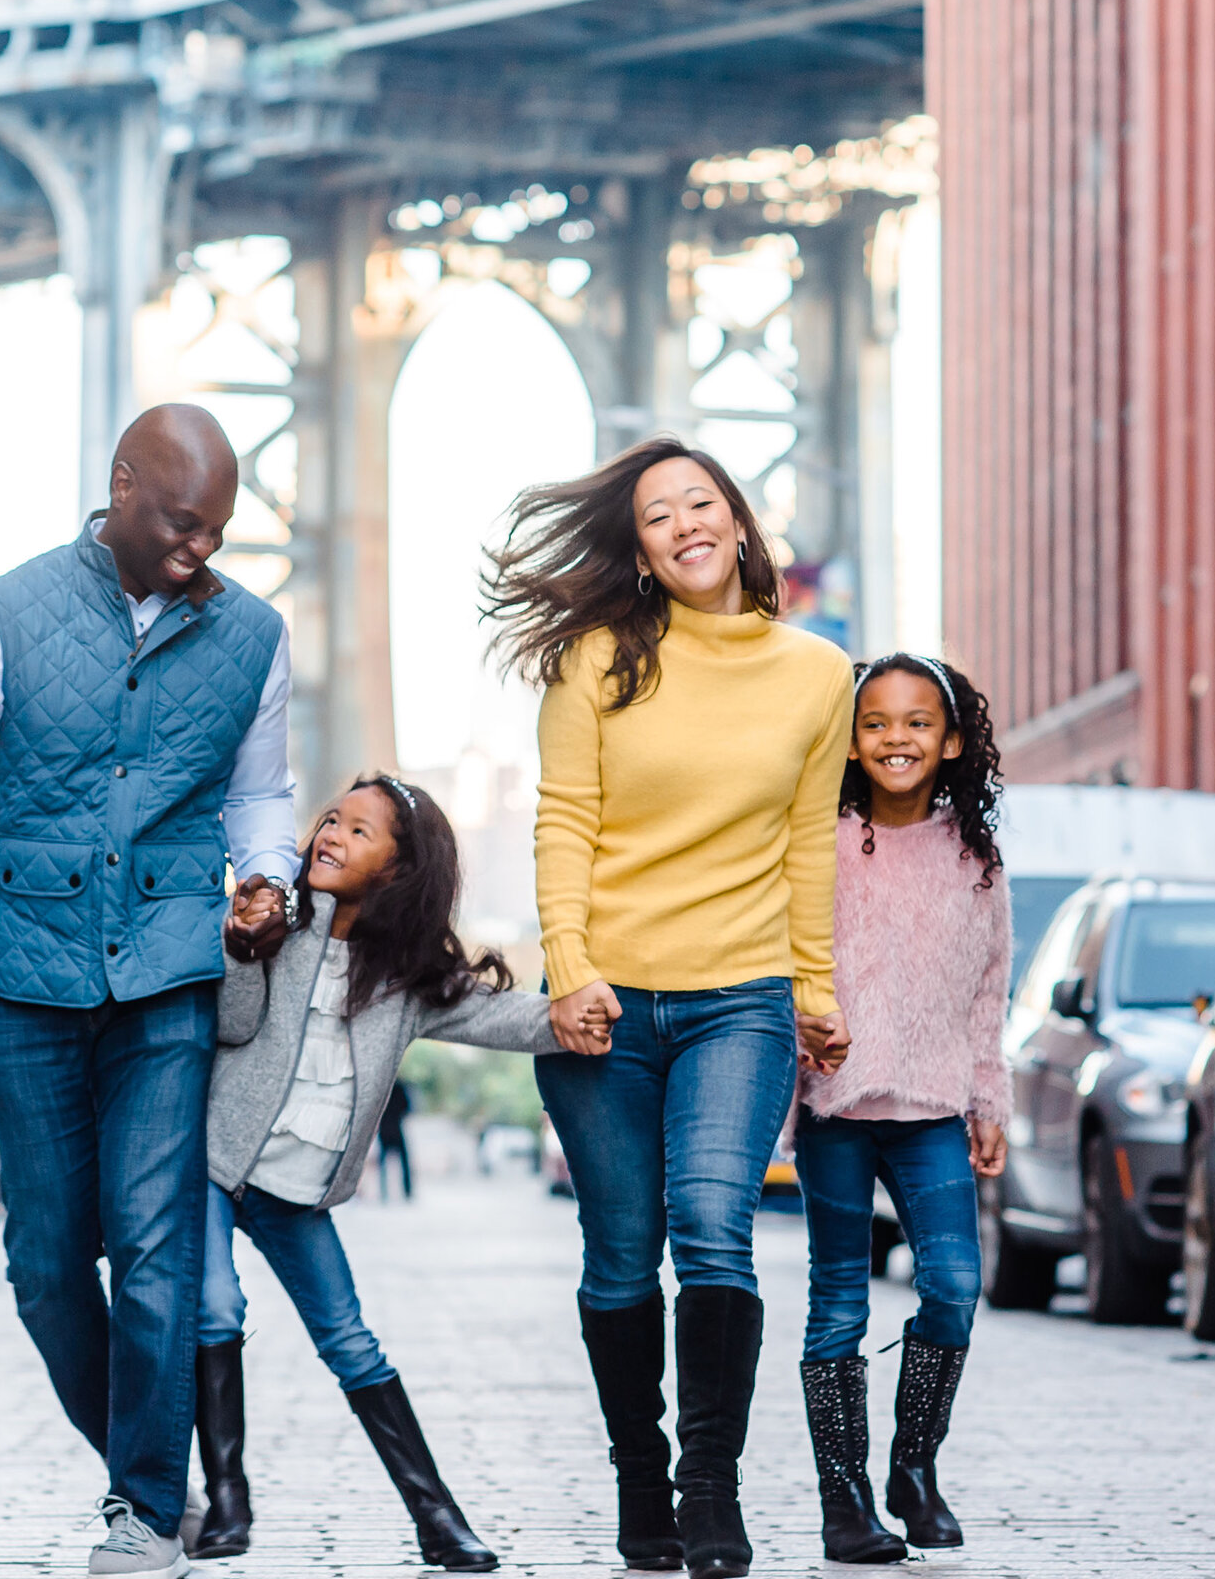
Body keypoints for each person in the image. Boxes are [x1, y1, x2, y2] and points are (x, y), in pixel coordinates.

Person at [0, 404, 296, 1579]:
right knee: (47, 1260)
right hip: (26, 973)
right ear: (121, 486)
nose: (199, 550)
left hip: (170, 974)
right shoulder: (2, 612)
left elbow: (259, 798)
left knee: (158, 1245)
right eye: (179, 523)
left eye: (215, 530)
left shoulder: (256, 637)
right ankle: (143, 1467)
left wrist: (264, 878)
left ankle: (140, 1511)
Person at [483, 437, 855, 1579]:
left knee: (710, 1227)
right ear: (639, 547)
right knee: (616, 1255)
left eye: (702, 501)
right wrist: (569, 964)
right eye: (658, 514)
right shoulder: (594, 657)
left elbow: (803, 843)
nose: (685, 522)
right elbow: (565, 823)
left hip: (735, 998)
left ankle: (708, 1495)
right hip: (604, 1003)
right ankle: (637, 1481)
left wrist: (814, 985)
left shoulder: (816, 672)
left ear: (740, 523)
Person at [189, 775, 608, 1570]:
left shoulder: (406, 977)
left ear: (398, 868)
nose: (332, 835)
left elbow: (493, 1014)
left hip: (297, 1194)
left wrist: (564, 1020)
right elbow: (236, 1026)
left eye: (360, 831)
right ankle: (229, 1498)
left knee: (352, 1344)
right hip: (214, 1165)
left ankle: (436, 1516)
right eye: (332, 820)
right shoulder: (276, 922)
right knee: (215, 1306)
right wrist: (245, 947)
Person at [791, 653, 1010, 1557]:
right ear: (848, 741)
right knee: (838, 1304)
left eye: (918, 723)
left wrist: (987, 1096)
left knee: (955, 1284)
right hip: (835, 1108)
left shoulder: (976, 858)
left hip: (930, 1112)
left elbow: (988, 988)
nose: (896, 739)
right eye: (875, 723)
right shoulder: (818, 841)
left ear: (951, 740)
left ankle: (913, 1467)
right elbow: (785, 957)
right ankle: (843, 1503)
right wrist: (803, 1035)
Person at [376, 1077, 413, 1201]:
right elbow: (407, 1108)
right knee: (403, 1162)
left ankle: (384, 1192)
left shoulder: (382, 1086)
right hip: (396, 1128)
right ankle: (407, 1192)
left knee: (383, 1163)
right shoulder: (399, 1086)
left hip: (385, 1129)